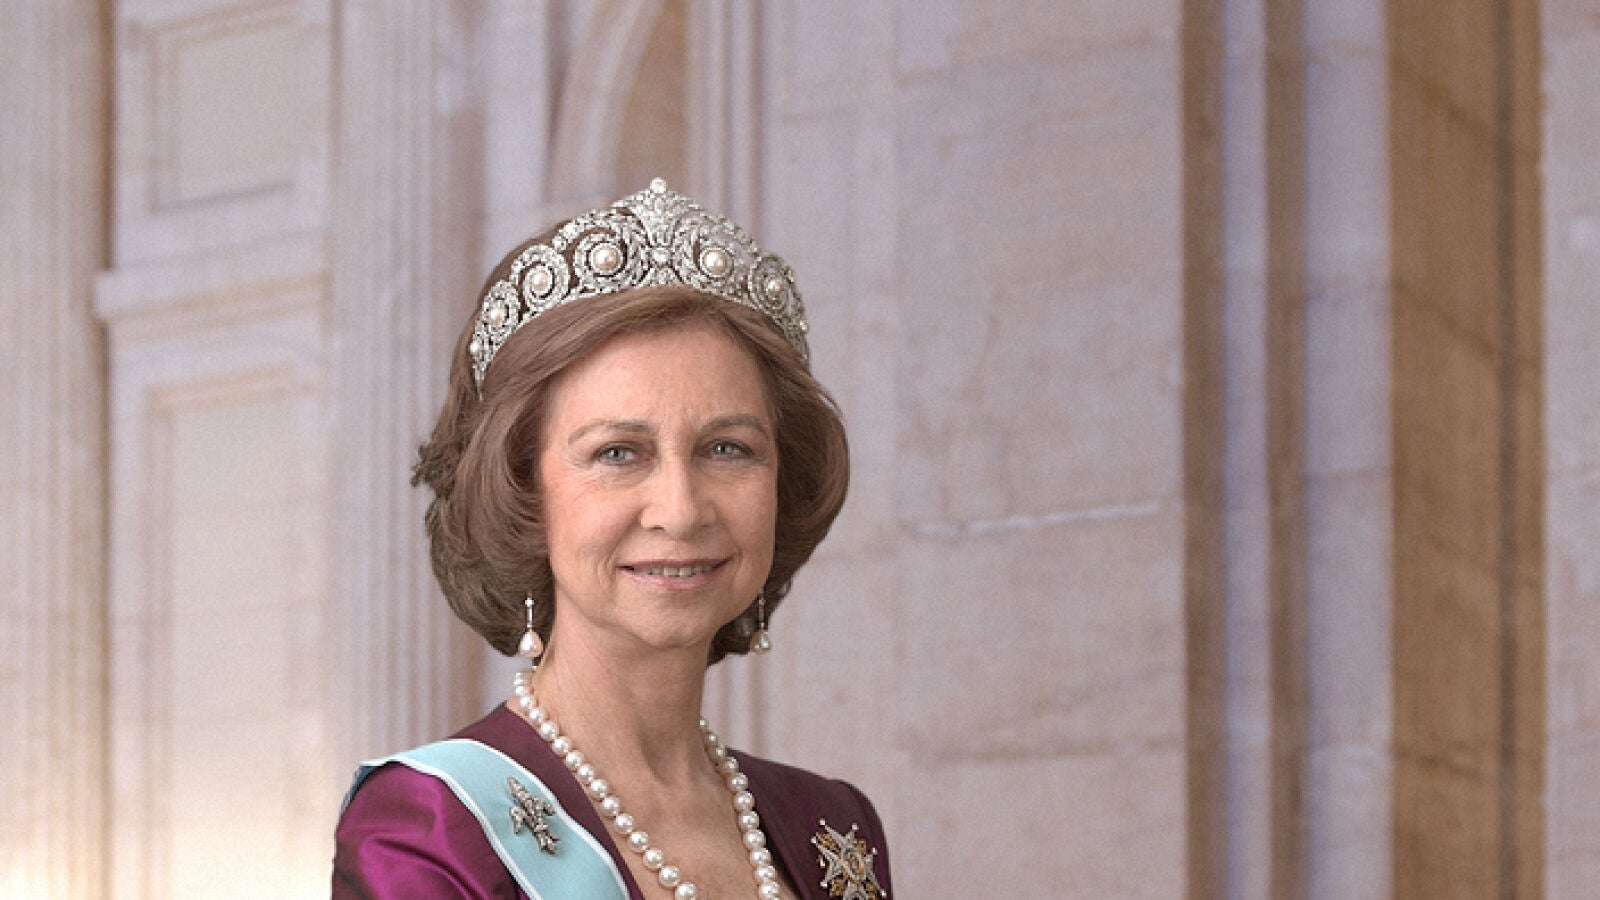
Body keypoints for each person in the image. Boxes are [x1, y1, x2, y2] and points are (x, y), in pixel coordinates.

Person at [333, 179, 891, 900]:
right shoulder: (430, 829)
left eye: (727, 448)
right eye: (618, 453)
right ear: (524, 491)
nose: (681, 511)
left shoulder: (833, 827)